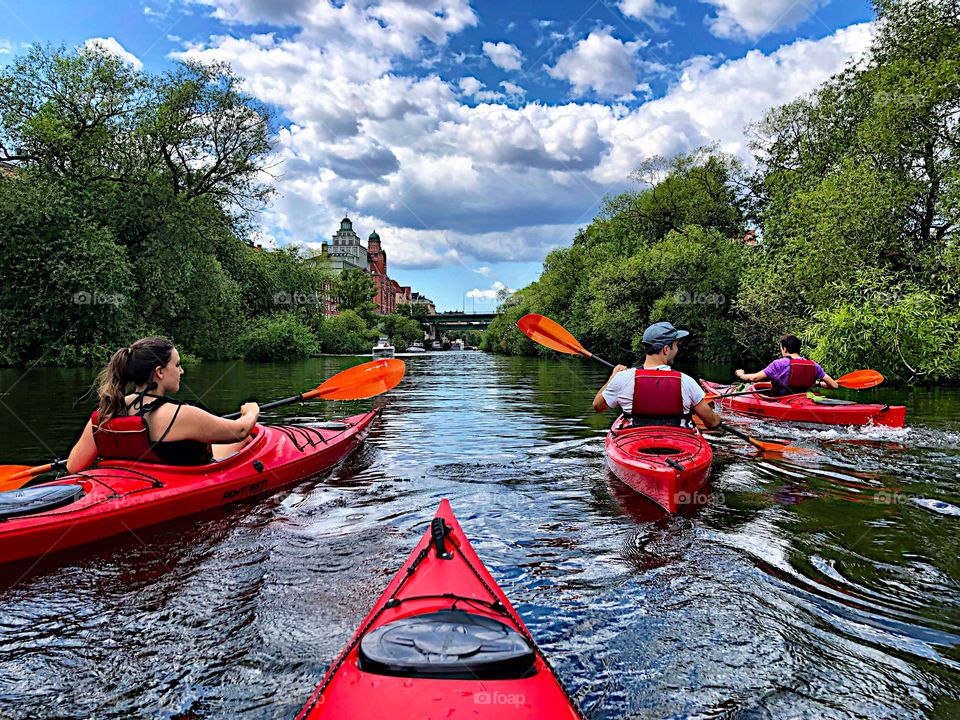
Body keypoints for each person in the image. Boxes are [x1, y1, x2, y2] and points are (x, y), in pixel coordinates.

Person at [67, 337, 260, 472]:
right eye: (177, 365)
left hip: (128, 484)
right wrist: (251, 411)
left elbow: (74, 466)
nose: (181, 371)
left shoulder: (108, 409)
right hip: (178, 483)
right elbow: (241, 430)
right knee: (249, 437)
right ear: (159, 372)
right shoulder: (180, 414)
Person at [593, 322, 721, 429]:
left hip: (636, 443)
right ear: (666, 349)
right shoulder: (686, 381)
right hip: (676, 445)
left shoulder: (623, 378)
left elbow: (598, 406)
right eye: (676, 345)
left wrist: (612, 377)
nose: (677, 349)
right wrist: (718, 417)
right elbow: (712, 422)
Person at [735, 334, 839, 396]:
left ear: (784, 349)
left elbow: (755, 378)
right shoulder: (813, 365)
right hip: (803, 400)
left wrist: (741, 375)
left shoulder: (779, 364)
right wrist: (819, 384)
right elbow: (834, 385)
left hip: (782, 402)